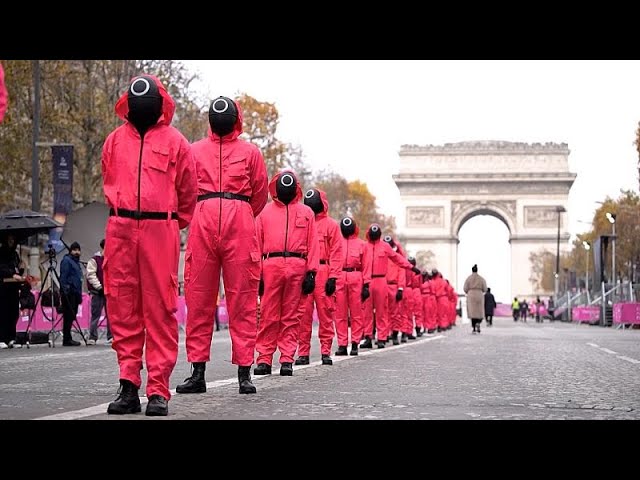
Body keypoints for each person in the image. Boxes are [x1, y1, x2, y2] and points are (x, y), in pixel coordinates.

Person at [102, 74, 197, 416]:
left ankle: (158, 389)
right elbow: (107, 178)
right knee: (122, 306)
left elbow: (189, 193)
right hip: (120, 227)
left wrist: (170, 222)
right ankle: (128, 384)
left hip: (160, 229)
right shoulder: (113, 141)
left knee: (160, 309)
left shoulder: (176, 142)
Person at [178, 95, 268, 396]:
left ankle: (245, 372)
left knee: (242, 298)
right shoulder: (193, 151)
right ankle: (197, 372)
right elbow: (185, 188)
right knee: (199, 297)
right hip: (204, 217)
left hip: (239, 219)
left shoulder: (251, 152)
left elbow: (259, 193)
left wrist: (238, 212)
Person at [254, 170, 319, 376]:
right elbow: (256, 244)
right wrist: (258, 275)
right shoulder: (264, 213)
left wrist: (311, 273)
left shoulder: (306, 213)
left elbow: (313, 243)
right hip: (270, 263)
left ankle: (287, 358)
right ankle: (264, 358)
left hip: (297, 265)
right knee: (267, 314)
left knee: (291, 316)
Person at [295, 188, 342, 366]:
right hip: (305, 270)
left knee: (325, 314)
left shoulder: (331, 225)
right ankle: (303, 353)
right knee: (303, 315)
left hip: (324, 271)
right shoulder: (302, 222)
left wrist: (333, 277)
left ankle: (325, 351)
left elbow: (337, 253)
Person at [361, 226, 417, 348]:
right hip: (368, 281)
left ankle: (381, 338)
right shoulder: (365, 246)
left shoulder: (385, 247)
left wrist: (410, 267)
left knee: (382, 311)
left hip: (381, 280)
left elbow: (398, 259)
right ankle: (368, 337)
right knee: (367, 312)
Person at [333, 216, 371, 356]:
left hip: (356, 276)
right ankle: (342, 344)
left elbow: (366, 265)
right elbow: (333, 260)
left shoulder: (362, 244)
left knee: (356, 313)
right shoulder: (336, 242)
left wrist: (366, 284)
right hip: (340, 276)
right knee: (340, 313)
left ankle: (355, 342)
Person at [0, 234, 25, 348]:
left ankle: (11, 337)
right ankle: (2, 338)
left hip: (13, 287)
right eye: (9, 239)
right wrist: (12, 274)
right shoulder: (1, 252)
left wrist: (21, 268)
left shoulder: (15, 254)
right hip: (3, 287)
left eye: (13, 239)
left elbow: (17, 271)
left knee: (14, 312)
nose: (11, 241)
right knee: (3, 313)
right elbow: (2, 268)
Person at [86, 239, 111, 345]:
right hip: (98, 292)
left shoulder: (112, 259)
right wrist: (99, 287)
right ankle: (92, 336)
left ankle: (111, 336)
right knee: (95, 314)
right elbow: (91, 274)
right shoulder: (95, 260)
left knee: (111, 315)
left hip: (109, 292)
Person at [59, 242, 83, 346]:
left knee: (72, 315)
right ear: (71, 250)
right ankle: (67, 339)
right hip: (69, 293)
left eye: (78, 250)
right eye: (75, 250)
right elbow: (63, 277)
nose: (77, 252)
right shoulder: (67, 261)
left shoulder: (76, 262)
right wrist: (66, 291)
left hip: (75, 293)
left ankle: (68, 337)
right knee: (68, 316)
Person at [463, 264, 487, 334]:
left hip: (471, 295)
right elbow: (485, 288)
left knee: (472, 312)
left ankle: (473, 327)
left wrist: (469, 291)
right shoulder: (481, 279)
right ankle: (478, 323)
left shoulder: (468, 278)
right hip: (479, 294)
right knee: (479, 312)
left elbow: (465, 288)